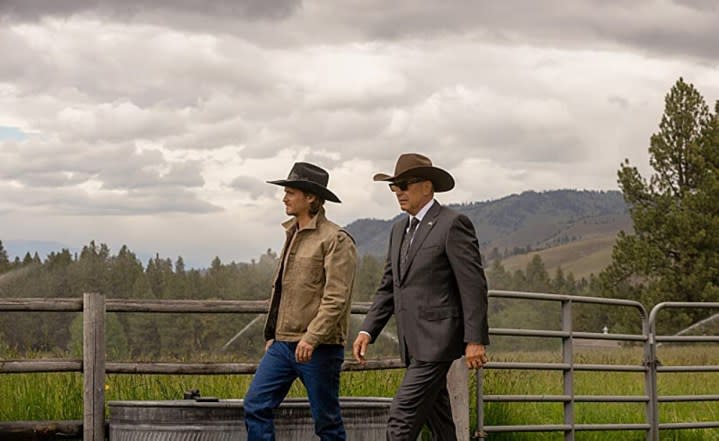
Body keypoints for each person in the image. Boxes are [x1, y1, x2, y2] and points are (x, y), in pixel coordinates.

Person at [352, 153, 489, 441]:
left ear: (427, 187)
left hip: (438, 343)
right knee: (440, 423)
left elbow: (473, 284)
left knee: (400, 421)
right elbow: (390, 286)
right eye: (393, 186)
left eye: (404, 184)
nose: (398, 192)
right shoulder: (399, 229)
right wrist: (368, 329)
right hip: (412, 345)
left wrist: (475, 339)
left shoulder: (453, 224)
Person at [244, 162, 357, 441]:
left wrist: (311, 337)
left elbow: (336, 298)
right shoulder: (291, 233)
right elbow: (283, 289)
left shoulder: (336, 239)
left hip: (320, 348)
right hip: (282, 345)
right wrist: (272, 334)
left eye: (291, 192)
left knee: (326, 422)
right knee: (255, 404)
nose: (284, 197)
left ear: (311, 198)